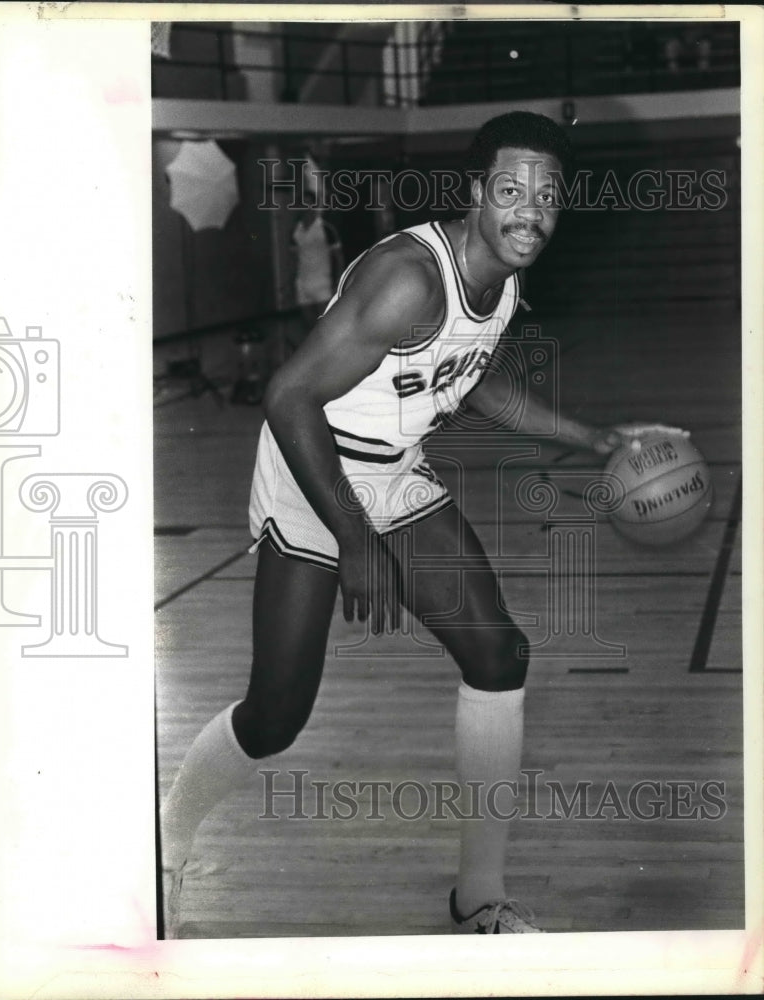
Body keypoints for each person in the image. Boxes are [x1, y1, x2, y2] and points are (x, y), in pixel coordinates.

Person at [160, 111, 685, 936]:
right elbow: (289, 397)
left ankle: (479, 898)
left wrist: (593, 438)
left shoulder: (502, 278)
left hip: (391, 472)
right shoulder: (410, 278)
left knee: (498, 653)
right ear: (476, 193)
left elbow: (470, 381)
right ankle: (168, 835)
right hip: (314, 470)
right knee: (276, 715)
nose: (530, 213)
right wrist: (358, 539)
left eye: (547, 197)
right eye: (511, 191)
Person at [289, 194, 344, 351]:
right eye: (303, 204)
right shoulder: (295, 230)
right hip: (302, 284)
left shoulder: (326, 228)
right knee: (309, 327)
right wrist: (291, 282)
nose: (306, 208)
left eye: (309, 204)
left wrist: (337, 281)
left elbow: (338, 257)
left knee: (325, 325)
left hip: (322, 284)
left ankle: (333, 354)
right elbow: (293, 259)